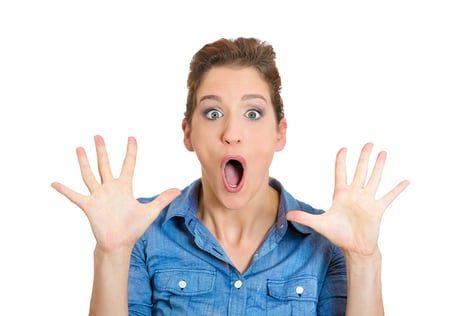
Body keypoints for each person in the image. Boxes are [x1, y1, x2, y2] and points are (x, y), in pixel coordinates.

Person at [51, 37, 410, 315]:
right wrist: (111, 253)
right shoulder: (140, 232)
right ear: (188, 133)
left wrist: (364, 260)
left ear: (279, 133)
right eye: (212, 113)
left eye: (252, 113)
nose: (231, 132)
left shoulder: (327, 240)